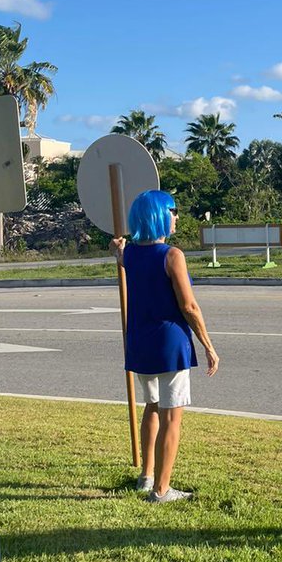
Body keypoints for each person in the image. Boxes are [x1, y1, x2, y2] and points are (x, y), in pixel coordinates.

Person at [111, 190, 219, 503]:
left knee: (152, 406)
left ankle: (147, 476)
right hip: (170, 345)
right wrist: (209, 346)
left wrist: (116, 248)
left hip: (139, 345)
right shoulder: (172, 255)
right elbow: (189, 306)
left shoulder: (130, 254)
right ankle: (162, 489)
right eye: (173, 210)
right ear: (158, 215)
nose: (176, 216)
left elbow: (120, 254)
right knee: (173, 415)